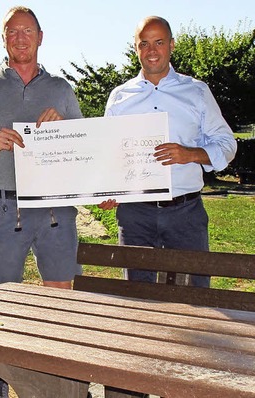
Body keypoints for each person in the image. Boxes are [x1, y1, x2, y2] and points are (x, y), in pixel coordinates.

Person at [0, 6, 84, 398]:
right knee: (4, 297)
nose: (21, 37)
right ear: (5, 39)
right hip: (5, 207)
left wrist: (67, 129)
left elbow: (86, 146)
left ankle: (60, 376)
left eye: (28, 31)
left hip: (55, 210)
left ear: (41, 37)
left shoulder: (61, 89)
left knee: (59, 293)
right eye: (13, 32)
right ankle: (1, 375)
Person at [100, 16, 237, 287]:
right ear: (136, 48)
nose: (152, 51)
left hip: (185, 214)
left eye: (159, 42)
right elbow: (108, 153)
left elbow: (227, 144)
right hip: (135, 216)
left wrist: (191, 154)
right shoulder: (119, 97)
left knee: (195, 300)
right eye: (144, 43)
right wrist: (107, 190)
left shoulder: (196, 91)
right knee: (138, 300)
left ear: (172, 45)